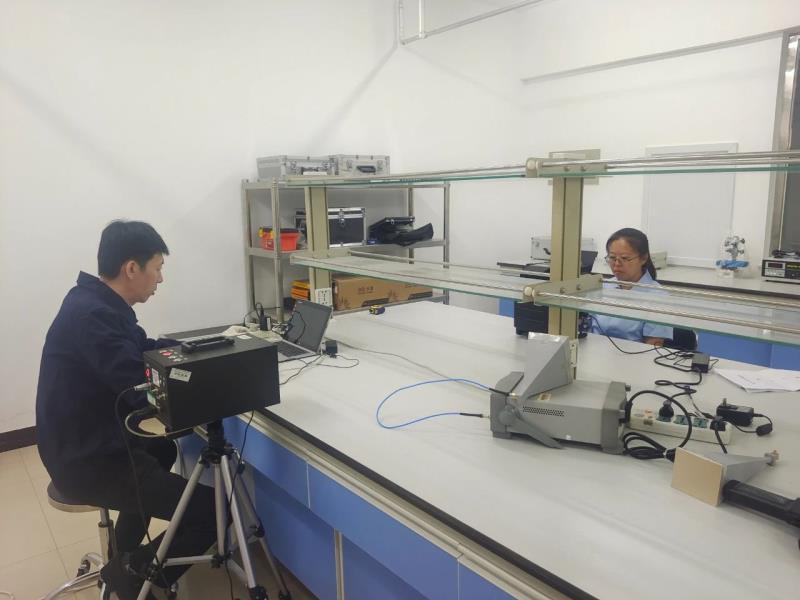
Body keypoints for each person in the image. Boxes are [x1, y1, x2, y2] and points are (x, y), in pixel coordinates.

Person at [36, 220, 215, 599]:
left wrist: (197, 349)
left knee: (163, 450)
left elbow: (140, 350)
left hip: (86, 444)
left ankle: (124, 553)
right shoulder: (94, 317)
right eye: (158, 268)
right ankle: (130, 573)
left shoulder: (95, 302)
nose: (161, 278)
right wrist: (213, 389)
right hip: (87, 461)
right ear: (132, 268)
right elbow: (141, 390)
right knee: (213, 512)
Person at [589, 227, 673, 346]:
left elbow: (652, 347)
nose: (616, 264)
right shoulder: (603, 287)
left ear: (643, 258)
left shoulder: (659, 297)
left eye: (625, 258)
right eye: (612, 258)